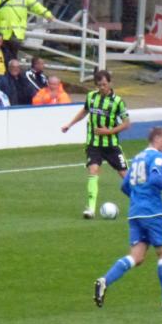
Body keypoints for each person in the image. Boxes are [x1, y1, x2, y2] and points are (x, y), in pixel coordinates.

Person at [93, 126, 162, 311]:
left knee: (137, 256)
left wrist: (138, 198)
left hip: (135, 212)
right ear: (157, 139)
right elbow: (154, 180)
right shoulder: (157, 157)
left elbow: (124, 186)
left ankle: (104, 280)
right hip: (153, 212)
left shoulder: (137, 158)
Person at [61, 69, 131, 219]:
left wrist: (109, 131)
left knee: (125, 176)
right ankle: (91, 209)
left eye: (104, 84)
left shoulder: (117, 101)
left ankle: (141, 205)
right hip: (94, 144)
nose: (102, 88)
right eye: (99, 85)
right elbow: (84, 111)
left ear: (110, 83)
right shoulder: (91, 97)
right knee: (93, 170)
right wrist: (70, 124)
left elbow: (126, 124)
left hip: (111, 145)